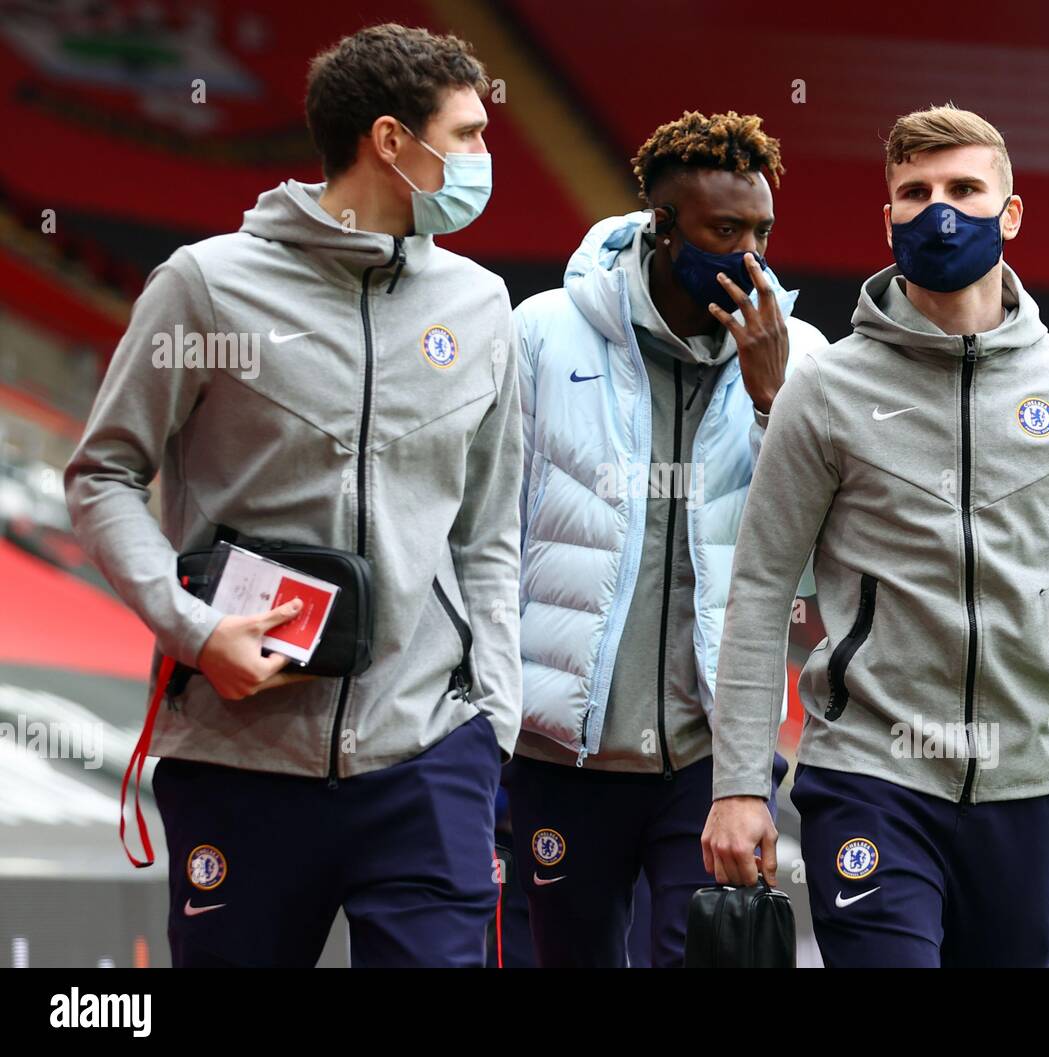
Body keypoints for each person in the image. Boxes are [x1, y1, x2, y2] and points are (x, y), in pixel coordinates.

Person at [701, 103, 1049, 968]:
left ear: (1010, 212)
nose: (938, 209)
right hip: (870, 777)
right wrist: (737, 784)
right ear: (887, 219)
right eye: (914, 192)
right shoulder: (825, 389)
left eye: (964, 188)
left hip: (1030, 786)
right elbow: (762, 587)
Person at [63, 24, 522, 968]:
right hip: (240, 759)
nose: (486, 159)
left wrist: (493, 720)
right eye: (470, 135)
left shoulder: (481, 307)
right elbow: (104, 474)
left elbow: (488, 532)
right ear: (391, 142)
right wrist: (192, 631)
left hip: (430, 756)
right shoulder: (207, 286)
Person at [503, 110, 822, 967]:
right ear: (664, 227)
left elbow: (822, 558)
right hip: (560, 749)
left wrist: (771, 399)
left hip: (711, 756)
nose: (751, 253)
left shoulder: (804, 358)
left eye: (762, 231)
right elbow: (490, 527)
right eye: (726, 230)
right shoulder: (540, 333)